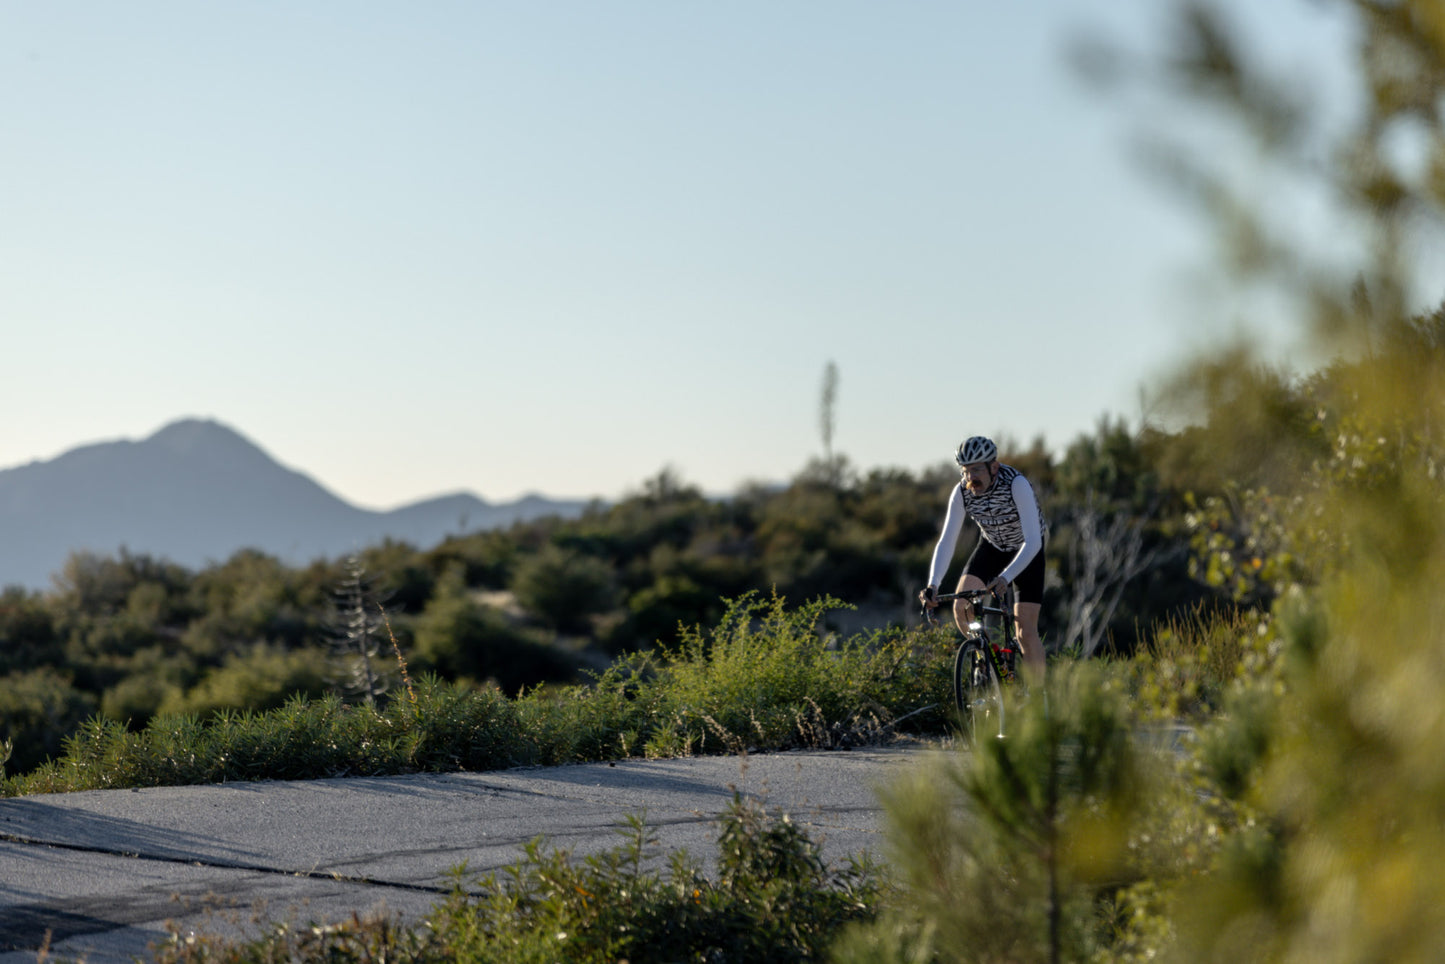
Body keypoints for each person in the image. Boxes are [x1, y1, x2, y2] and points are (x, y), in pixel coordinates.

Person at [919, 436, 1049, 680]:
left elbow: (1034, 541)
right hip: (992, 547)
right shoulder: (962, 492)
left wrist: (1006, 577)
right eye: (966, 471)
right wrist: (933, 584)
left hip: (1027, 550)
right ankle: (986, 661)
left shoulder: (1016, 484)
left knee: (1025, 632)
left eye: (977, 469)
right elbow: (947, 540)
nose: (971, 478)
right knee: (962, 608)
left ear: (994, 467)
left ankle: (1038, 703)